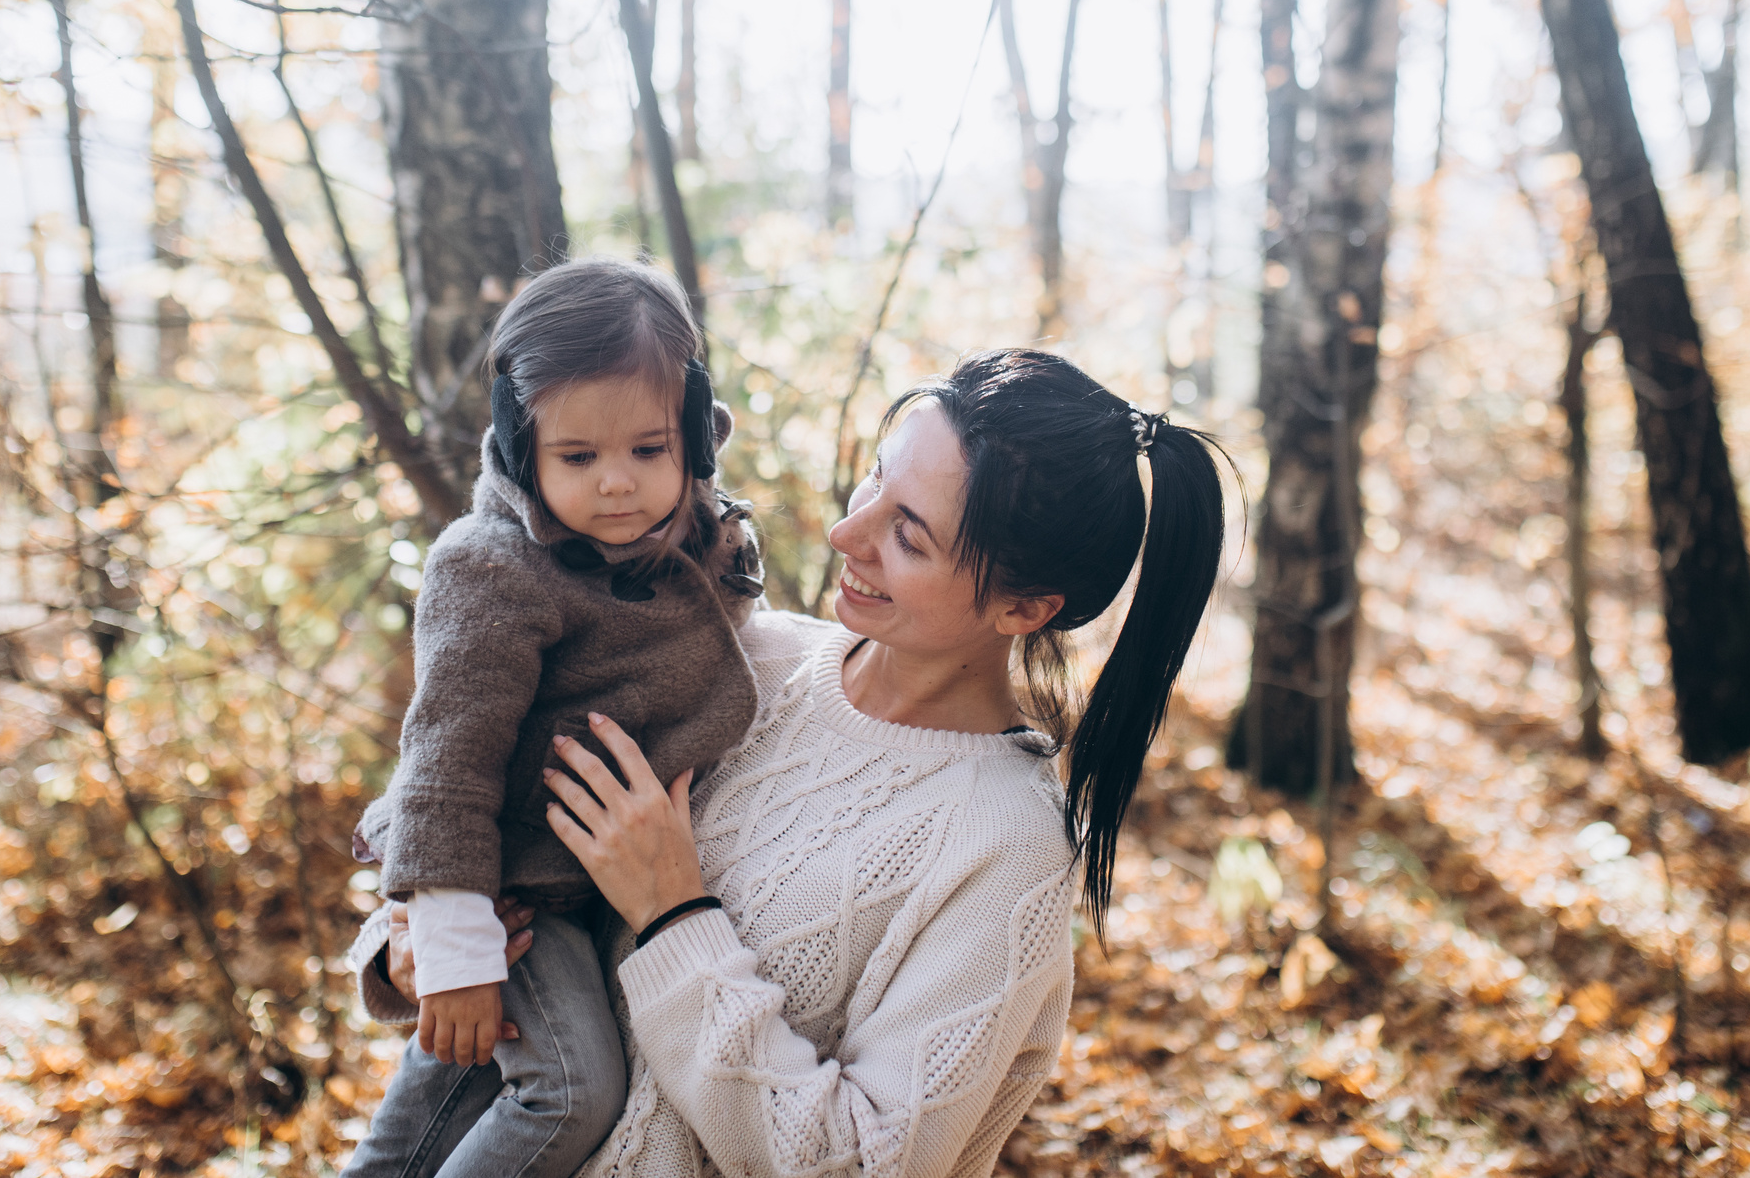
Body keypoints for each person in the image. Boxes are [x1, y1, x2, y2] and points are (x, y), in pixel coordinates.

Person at [371, 347, 1229, 1177]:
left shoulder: (1006, 853)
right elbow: (469, 783)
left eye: (910, 535)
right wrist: (416, 942)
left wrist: (673, 916)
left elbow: (861, 1162)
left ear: (1023, 606)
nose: (844, 530)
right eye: (875, 479)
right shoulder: (744, 657)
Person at [339, 258, 765, 1178]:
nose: (618, 483)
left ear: (692, 432)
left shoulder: (696, 535)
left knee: (428, 1114)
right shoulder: (493, 570)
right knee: (568, 1088)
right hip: (501, 884)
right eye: (578, 458)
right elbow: (446, 763)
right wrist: (453, 945)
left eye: (648, 450)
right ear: (518, 445)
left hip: (574, 891)